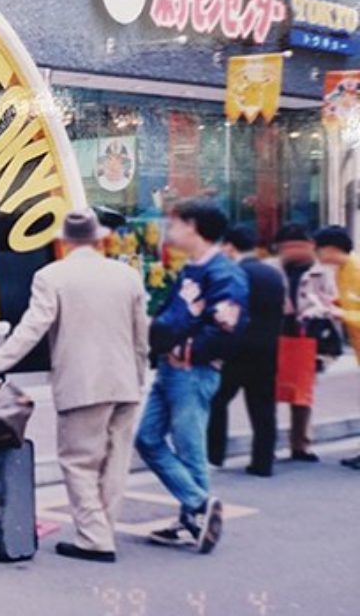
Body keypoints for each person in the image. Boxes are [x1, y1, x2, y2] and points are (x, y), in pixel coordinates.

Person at [0, 209, 148, 563]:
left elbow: (32, 327)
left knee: (79, 462)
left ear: (64, 240)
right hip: (125, 381)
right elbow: (140, 334)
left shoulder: (52, 276)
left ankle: (94, 539)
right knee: (114, 461)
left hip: (82, 383)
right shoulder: (127, 275)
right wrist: (140, 374)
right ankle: (103, 529)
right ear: (99, 238)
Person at [136, 199, 247, 554]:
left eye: (175, 223)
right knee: (148, 438)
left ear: (193, 226)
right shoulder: (193, 269)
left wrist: (190, 351)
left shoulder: (223, 272)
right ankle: (198, 506)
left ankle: (194, 517)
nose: (170, 229)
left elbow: (228, 326)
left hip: (192, 371)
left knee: (189, 446)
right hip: (171, 367)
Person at [207, 226, 285, 477]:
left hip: (236, 351)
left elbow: (225, 313)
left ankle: (214, 455)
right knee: (263, 407)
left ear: (230, 246)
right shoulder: (273, 274)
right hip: (268, 349)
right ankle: (263, 462)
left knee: (217, 401)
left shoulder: (234, 274)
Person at [272, 223, 339, 463]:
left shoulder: (322, 272)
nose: (288, 251)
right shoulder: (274, 269)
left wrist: (313, 309)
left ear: (308, 246)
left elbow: (332, 304)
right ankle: (267, 442)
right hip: (276, 335)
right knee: (270, 390)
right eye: (285, 247)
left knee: (302, 393)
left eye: (294, 246)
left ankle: (300, 445)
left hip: (307, 338)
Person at [312, 225, 360, 469]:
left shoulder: (357, 269)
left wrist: (342, 313)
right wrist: (333, 302)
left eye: (318, 249)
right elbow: (353, 301)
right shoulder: (342, 270)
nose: (317, 255)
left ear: (331, 249)